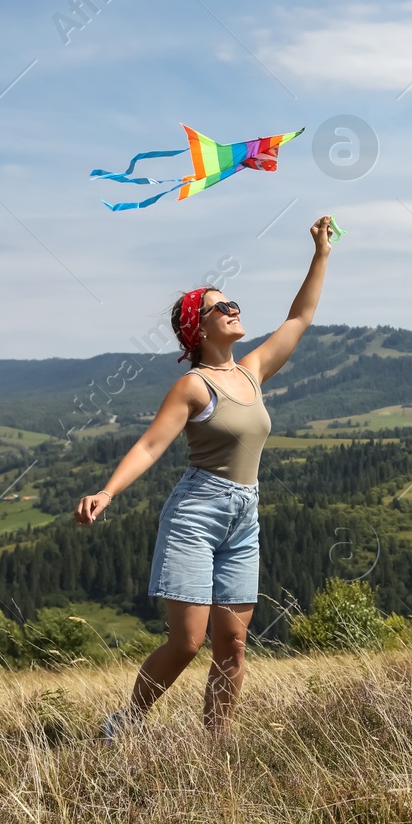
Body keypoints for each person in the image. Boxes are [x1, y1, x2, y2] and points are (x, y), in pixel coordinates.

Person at [75, 215, 335, 737]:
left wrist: (321, 253)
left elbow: (300, 317)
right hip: (197, 514)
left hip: (246, 515)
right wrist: (107, 491)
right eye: (223, 306)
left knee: (233, 644)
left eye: (234, 303)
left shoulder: (252, 370)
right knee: (187, 642)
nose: (235, 309)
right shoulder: (193, 386)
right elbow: (151, 445)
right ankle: (125, 725)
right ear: (200, 326)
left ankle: (215, 750)